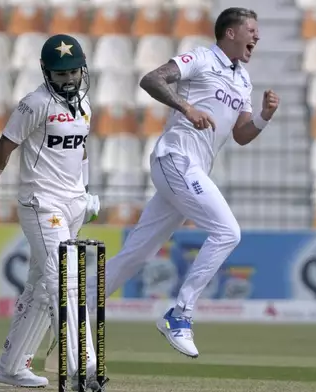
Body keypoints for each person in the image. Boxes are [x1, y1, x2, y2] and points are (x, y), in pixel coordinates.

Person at [103, 7, 280, 358]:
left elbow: (241, 135)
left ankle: (77, 305)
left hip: (192, 169)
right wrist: (187, 108)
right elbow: (151, 79)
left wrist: (263, 116)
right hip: (176, 158)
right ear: (230, 33)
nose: (257, 37)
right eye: (251, 30)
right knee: (228, 231)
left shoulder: (242, 79)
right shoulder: (200, 58)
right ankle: (179, 314)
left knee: (137, 253)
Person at [0, 34, 102, 390]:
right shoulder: (34, 103)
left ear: (83, 70)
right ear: (45, 71)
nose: (67, 80)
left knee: (40, 287)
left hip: (71, 203)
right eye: (59, 73)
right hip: (41, 203)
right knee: (62, 281)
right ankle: (84, 368)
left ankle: (10, 366)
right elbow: (6, 145)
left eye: (72, 72)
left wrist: (85, 191)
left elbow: (79, 151)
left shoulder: (84, 106)